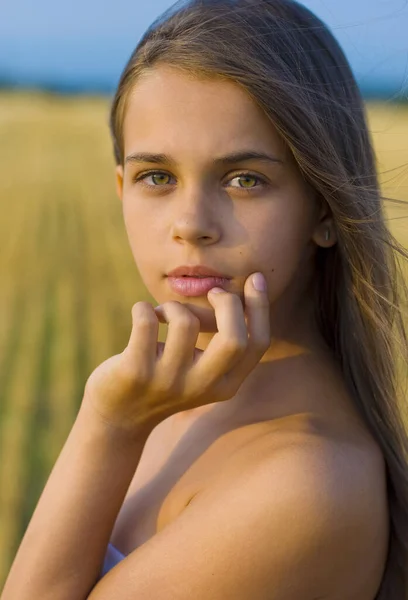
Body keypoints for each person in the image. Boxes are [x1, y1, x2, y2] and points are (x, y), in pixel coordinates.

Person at [2, 0, 408, 598]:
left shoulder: (307, 485)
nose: (190, 224)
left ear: (325, 209)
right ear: (121, 187)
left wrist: (107, 425)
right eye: (157, 177)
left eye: (245, 179)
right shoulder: (181, 395)